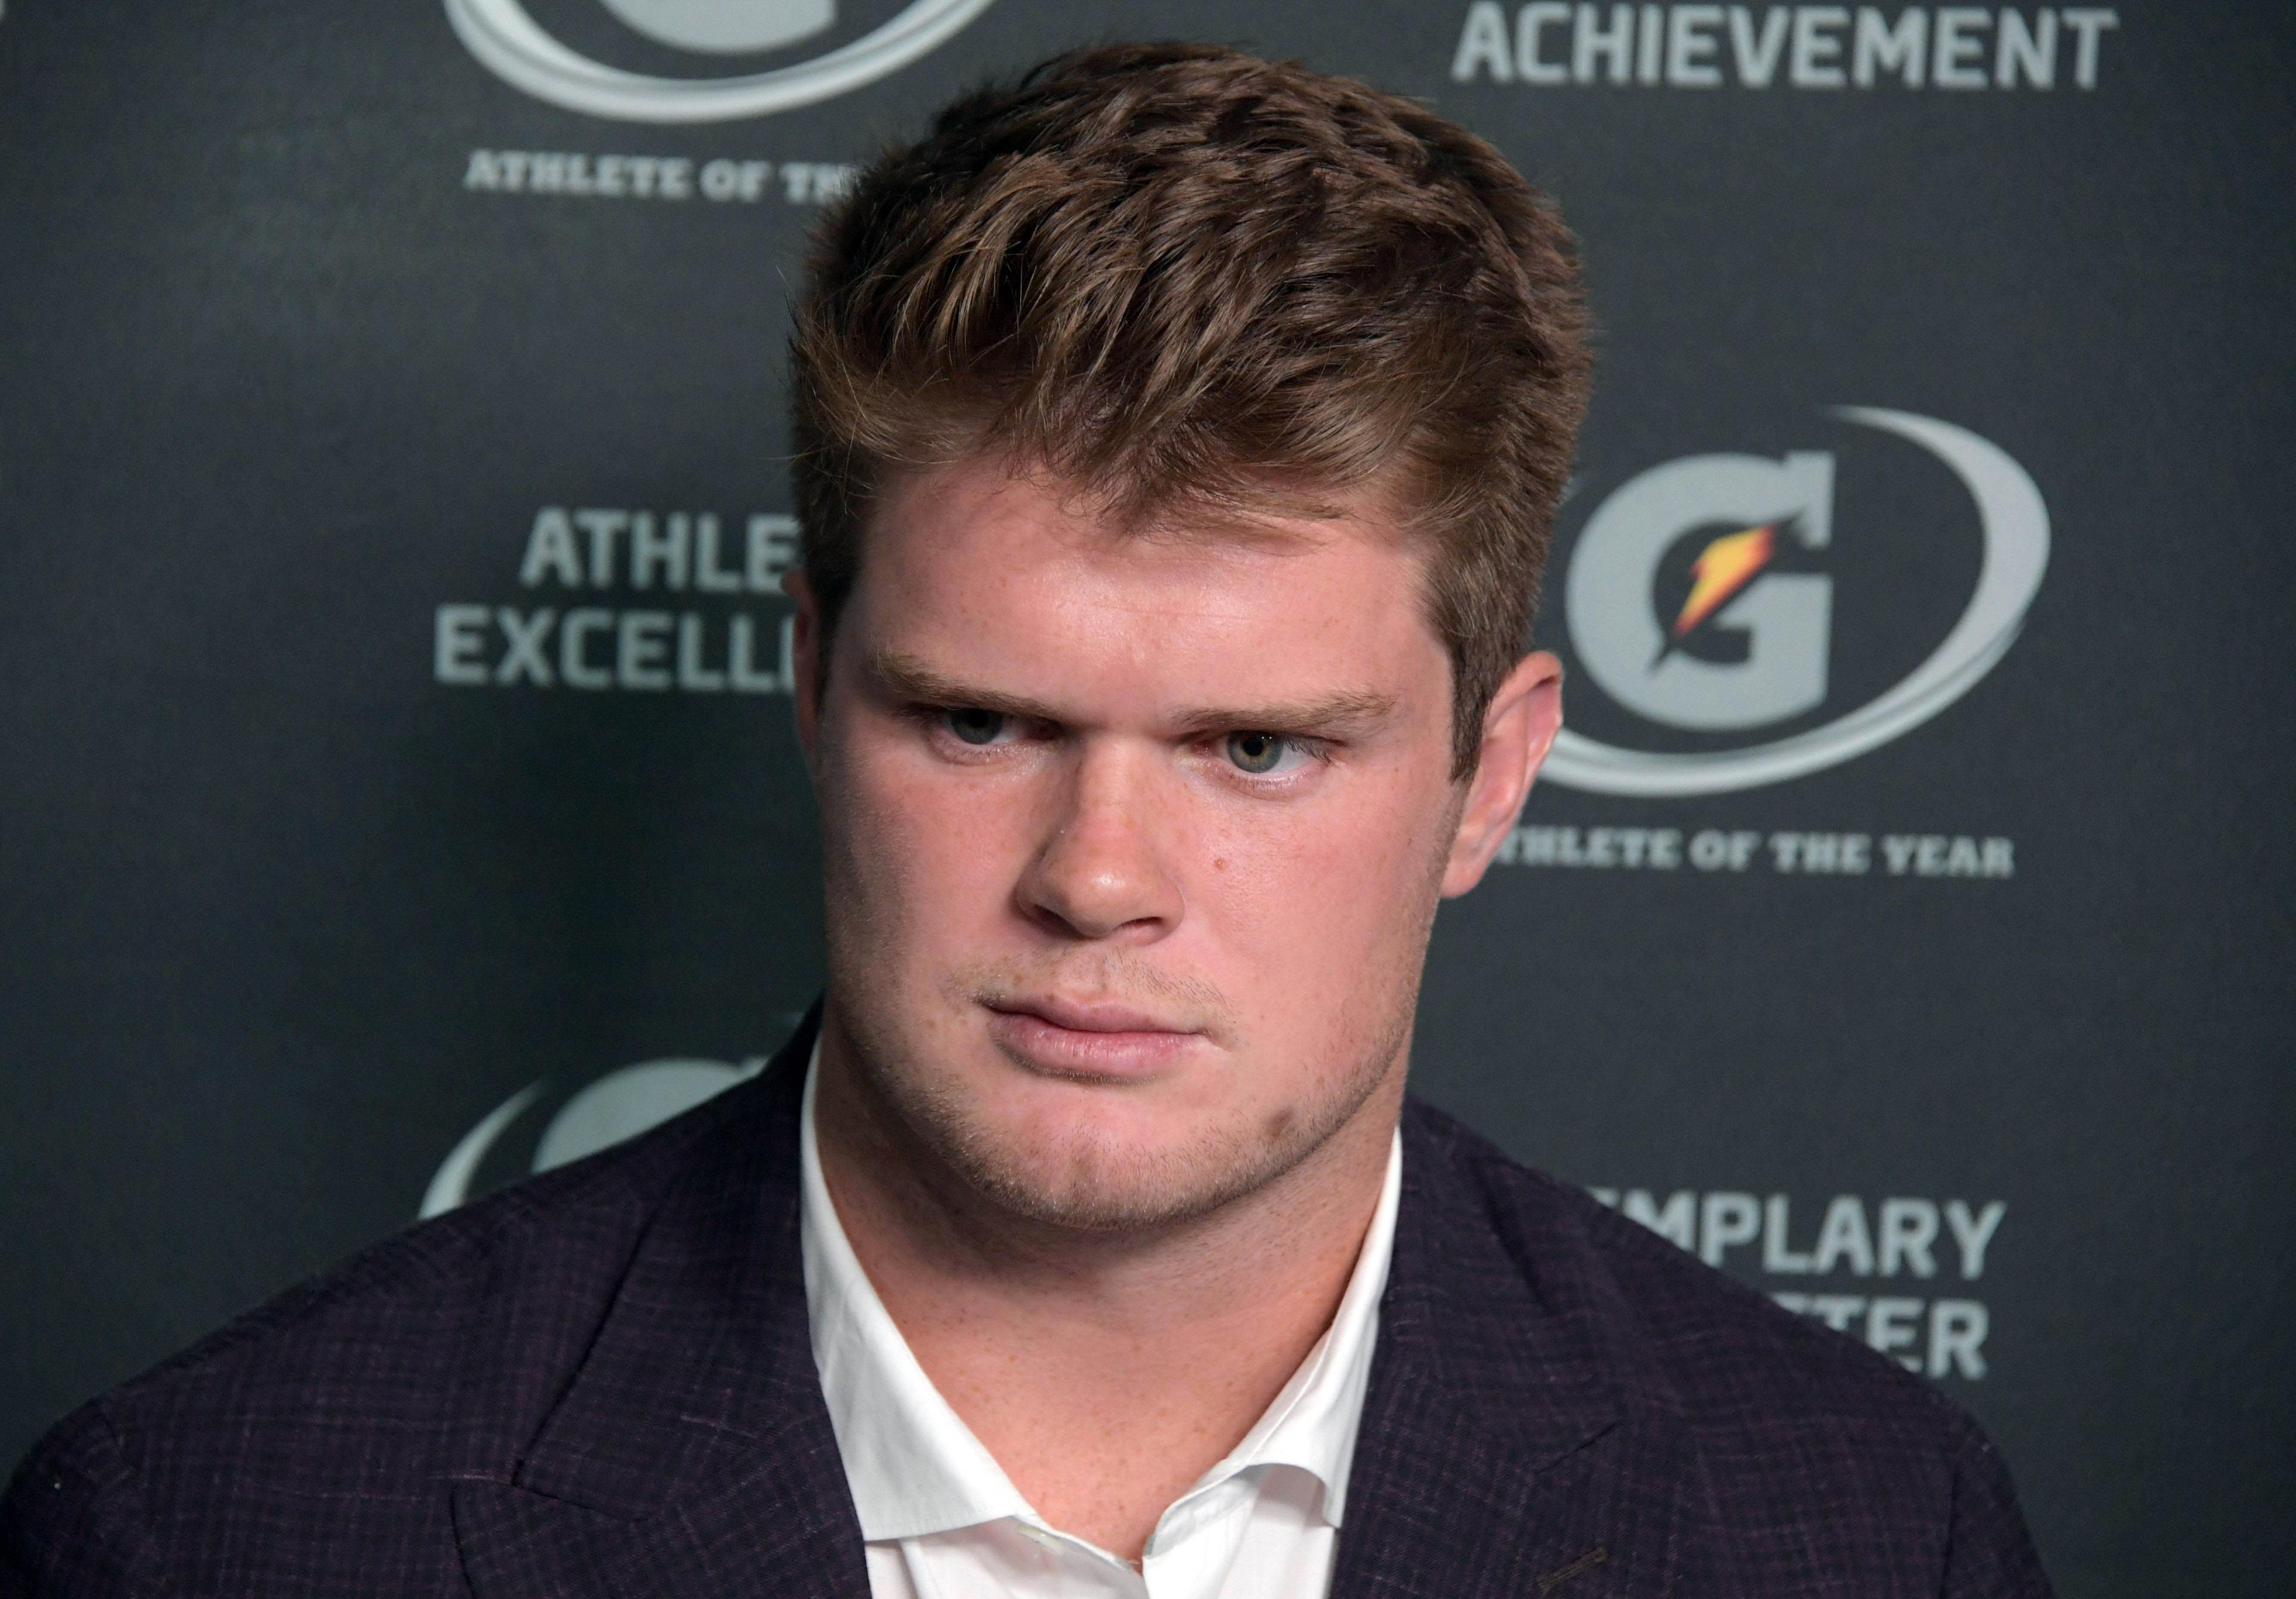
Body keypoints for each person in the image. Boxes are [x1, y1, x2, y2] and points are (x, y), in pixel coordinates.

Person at [0, 42, 2050, 1599]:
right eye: (979, 718)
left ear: (1489, 779)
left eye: (1257, 749)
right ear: (812, 685)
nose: (1096, 878)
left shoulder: (1858, 1527)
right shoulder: (216, 1527)